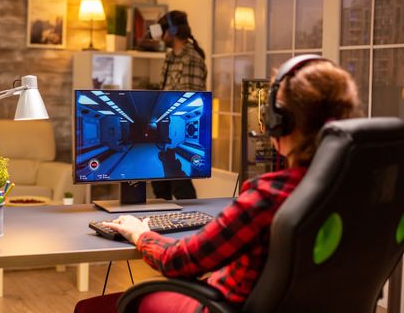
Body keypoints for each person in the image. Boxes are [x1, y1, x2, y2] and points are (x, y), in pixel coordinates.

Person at [74, 55, 362, 313]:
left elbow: (180, 262)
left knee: (94, 308)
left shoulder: (267, 196)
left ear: (278, 122)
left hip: (225, 306)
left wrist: (140, 232)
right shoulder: (358, 191)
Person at [151, 10, 208, 200]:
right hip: (163, 128)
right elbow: (164, 92)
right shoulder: (170, 57)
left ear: (173, 31)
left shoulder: (192, 59)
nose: (161, 35)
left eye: (163, 30)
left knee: (179, 182)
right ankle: (161, 220)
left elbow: (190, 102)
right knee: (159, 182)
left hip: (178, 130)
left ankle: (192, 218)